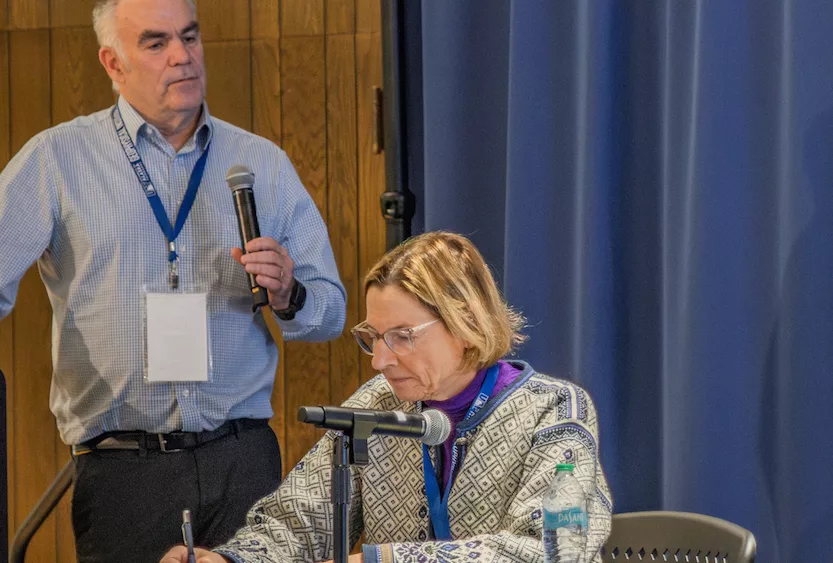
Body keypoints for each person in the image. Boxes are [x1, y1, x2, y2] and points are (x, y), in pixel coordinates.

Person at [0, 0, 346, 561]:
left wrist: (289, 292)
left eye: (190, 36)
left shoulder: (261, 163)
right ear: (113, 64)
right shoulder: (57, 161)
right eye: (156, 43)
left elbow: (330, 309)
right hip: (123, 471)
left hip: (242, 459)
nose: (183, 56)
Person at [161, 231, 612, 563]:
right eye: (373, 337)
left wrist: (392, 560)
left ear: (466, 324)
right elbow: (299, 521)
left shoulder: (553, 412)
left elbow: (554, 550)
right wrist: (230, 560)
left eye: (401, 336)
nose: (379, 361)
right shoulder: (378, 405)